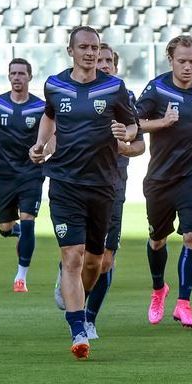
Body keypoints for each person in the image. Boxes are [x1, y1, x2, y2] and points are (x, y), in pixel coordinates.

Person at [31, 26, 137, 359]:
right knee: (73, 257)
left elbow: (132, 126)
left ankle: (74, 293)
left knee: (96, 261)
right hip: (64, 182)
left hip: (103, 185)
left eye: (95, 47)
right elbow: (49, 118)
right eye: (84, 47)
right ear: (71, 50)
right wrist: (40, 144)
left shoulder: (115, 87)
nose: (90, 53)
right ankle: (78, 330)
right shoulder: (55, 85)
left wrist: (125, 131)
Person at [136, 35, 192, 329]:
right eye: (182, 61)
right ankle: (159, 289)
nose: (188, 67)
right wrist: (163, 122)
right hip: (160, 178)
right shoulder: (157, 89)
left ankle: (184, 304)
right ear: (170, 60)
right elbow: (135, 123)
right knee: (158, 240)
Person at [81, 43, 145, 340]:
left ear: (115, 66)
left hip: (112, 186)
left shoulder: (124, 98)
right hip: (76, 183)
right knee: (75, 254)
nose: (104, 64)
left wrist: (125, 145)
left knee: (105, 260)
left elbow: (140, 144)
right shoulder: (73, 92)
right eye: (101, 59)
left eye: (109, 60)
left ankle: (89, 318)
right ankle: (67, 277)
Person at [0, 58, 46, 293]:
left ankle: (21, 277)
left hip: (31, 172)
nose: (17, 77)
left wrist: (44, 153)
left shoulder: (40, 107)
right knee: (4, 227)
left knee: (28, 220)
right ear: (9, 77)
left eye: (21, 73)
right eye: (13, 73)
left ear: (30, 77)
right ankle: (14, 230)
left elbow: (52, 133)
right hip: (5, 173)